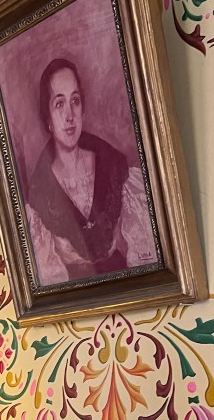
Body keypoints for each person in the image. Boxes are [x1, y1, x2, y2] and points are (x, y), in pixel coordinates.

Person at [24, 58, 157, 286]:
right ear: (48, 119)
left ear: (83, 110)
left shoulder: (112, 166)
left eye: (75, 101)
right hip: (77, 296)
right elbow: (49, 278)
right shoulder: (40, 193)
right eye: (59, 104)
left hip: (126, 285)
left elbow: (145, 250)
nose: (70, 115)